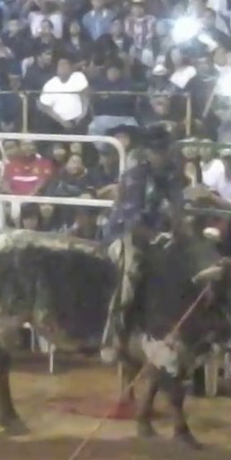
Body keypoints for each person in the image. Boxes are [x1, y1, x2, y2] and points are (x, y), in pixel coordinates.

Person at [100, 125, 186, 363]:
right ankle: (113, 335)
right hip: (124, 234)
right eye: (158, 150)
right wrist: (156, 236)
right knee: (129, 273)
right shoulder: (134, 176)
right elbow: (130, 219)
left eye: (165, 150)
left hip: (157, 232)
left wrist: (179, 228)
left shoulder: (170, 173)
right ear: (147, 152)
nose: (163, 154)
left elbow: (178, 205)